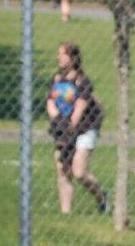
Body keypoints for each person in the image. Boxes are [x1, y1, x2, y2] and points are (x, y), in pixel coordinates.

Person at [45, 42, 106, 214]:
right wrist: (58, 121)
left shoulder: (82, 81)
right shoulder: (57, 79)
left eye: (62, 54)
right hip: (64, 126)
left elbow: (79, 109)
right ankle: (66, 213)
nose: (58, 57)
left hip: (85, 128)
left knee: (79, 172)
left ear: (72, 59)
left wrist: (68, 127)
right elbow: (50, 102)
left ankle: (102, 198)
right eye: (58, 54)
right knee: (63, 171)